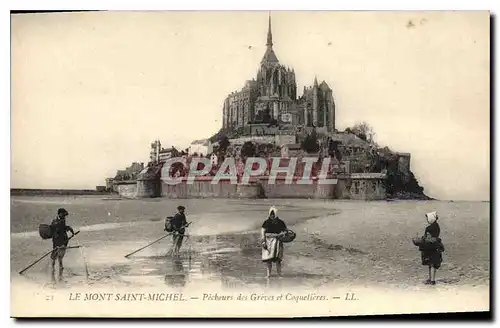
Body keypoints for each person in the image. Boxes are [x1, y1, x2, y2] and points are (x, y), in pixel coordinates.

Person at [261, 206, 288, 278]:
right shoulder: (266, 222)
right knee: (268, 259)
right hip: (268, 241)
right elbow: (263, 232)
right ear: (269, 214)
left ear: (276, 214)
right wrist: (263, 241)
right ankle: (268, 274)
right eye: (271, 214)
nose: (272, 215)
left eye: (273, 214)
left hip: (278, 242)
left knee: (278, 259)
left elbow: (285, 230)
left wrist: (283, 234)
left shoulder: (281, 222)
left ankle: (279, 274)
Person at [49, 208, 75, 282]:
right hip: (56, 240)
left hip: (63, 240)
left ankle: (60, 266)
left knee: (61, 253)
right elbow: (53, 230)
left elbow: (63, 228)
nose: (64, 216)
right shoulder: (55, 221)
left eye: (64, 215)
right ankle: (53, 267)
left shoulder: (63, 220)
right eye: (63, 214)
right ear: (59, 214)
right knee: (54, 254)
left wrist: (69, 229)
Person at [420, 211, 444, 285]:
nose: (427, 220)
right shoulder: (437, 226)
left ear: (431, 218)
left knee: (431, 264)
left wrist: (422, 239)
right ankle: (432, 279)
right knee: (433, 263)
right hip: (436, 245)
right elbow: (434, 236)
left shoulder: (429, 228)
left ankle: (432, 280)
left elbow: (427, 237)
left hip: (430, 247)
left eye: (428, 218)